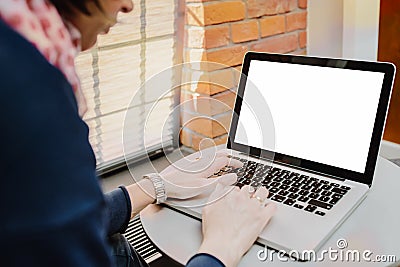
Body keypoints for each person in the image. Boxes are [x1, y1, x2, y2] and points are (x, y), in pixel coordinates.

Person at [0, 0, 276, 266]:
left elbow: (51, 221)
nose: (128, 6)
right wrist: (221, 248)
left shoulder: (21, 44)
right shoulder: (30, 95)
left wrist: (158, 184)